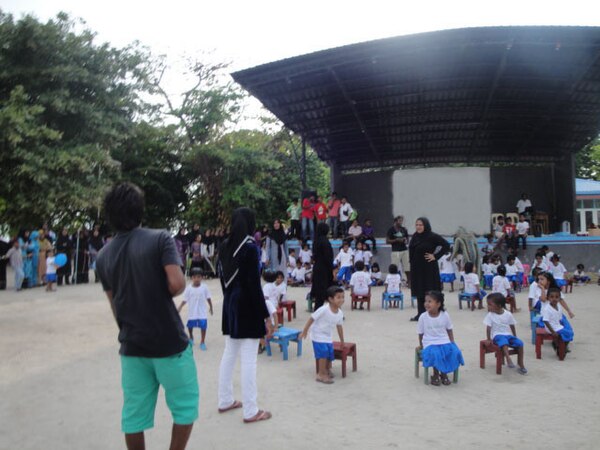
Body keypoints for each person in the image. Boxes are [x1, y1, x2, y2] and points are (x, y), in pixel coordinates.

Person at [96, 182, 198, 450]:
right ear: (140, 210)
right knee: (185, 407)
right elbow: (177, 284)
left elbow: (114, 305)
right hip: (169, 343)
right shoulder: (160, 239)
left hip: (132, 345)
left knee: (134, 416)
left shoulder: (103, 255)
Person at [216, 207, 272, 423]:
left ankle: (225, 400)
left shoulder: (224, 246)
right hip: (246, 306)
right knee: (249, 359)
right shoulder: (250, 248)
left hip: (230, 303)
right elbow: (253, 286)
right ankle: (251, 411)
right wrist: (265, 316)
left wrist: (231, 303)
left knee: (229, 353)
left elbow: (223, 281)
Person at [299, 285, 345, 384]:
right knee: (323, 352)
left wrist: (342, 341)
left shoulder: (340, 313)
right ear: (330, 299)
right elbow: (312, 318)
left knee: (329, 353)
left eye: (342, 297)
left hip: (327, 336)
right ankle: (321, 374)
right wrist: (305, 331)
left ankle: (327, 369)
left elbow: (339, 326)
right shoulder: (324, 309)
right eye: (338, 297)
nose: (341, 299)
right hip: (318, 334)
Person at [417, 291, 464, 386]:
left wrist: (452, 342)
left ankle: (444, 373)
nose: (426, 303)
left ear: (438, 304)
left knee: (454, 351)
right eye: (426, 301)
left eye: (430, 301)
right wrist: (422, 345)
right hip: (430, 342)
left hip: (444, 340)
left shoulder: (445, 315)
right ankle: (435, 375)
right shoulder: (423, 317)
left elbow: (449, 329)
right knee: (436, 353)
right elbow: (420, 333)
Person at [409, 218, 450, 321]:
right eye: (417, 224)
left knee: (431, 290)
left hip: (429, 268)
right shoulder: (415, 236)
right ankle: (421, 314)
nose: (418, 227)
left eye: (421, 225)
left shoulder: (432, 236)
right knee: (419, 290)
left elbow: (446, 245)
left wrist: (435, 256)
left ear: (425, 226)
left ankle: (436, 312)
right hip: (417, 268)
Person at [483, 293, 527, 375]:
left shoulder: (508, 314)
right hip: (497, 335)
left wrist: (514, 335)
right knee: (504, 342)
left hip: (507, 335)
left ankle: (520, 363)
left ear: (499, 305)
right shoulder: (490, 315)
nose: (488, 307)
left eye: (490, 305)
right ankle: (508, 358)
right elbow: (488, 328)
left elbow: (512, 325)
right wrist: (489, 339)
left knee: (520, 343)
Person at [177, 267, 213, 350]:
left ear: (202, 277)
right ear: (191, 278)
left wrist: (211, 307)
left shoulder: (204, 287)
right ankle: (191, 337)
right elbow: (185, 299)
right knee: (190, 326)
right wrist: (180, 307)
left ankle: (202, 342)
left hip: (202, 312)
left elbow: (208, 298)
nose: (197, 279)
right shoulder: (189, 289)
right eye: (194, 277)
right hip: (192, 312)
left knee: (203, 326)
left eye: (199, 277)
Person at [310, 223, 334, 310]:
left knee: (319, 295)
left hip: (317, 268)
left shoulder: (315, 241)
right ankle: (333, 312)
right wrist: (332, 268)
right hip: (325, 269)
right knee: (329, 292)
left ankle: (317, 311)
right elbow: (328, 257)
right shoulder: (325, 242)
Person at [542, 287, 574, 353]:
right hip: (551, 328)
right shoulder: (547, 309)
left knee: (569, 331)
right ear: (548, 298)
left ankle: (561, 346)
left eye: (556, 297)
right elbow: (545, 321)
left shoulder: (558, 306)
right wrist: (553, 332)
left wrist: (562, 324)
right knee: (568, 333)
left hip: (557, 326)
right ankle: (560, 347)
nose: (554, 299)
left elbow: (559, 318)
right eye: (552, 297)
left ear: (559, 298)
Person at [386, 216, 410, 286]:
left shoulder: (404, 229)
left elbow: (407, 239)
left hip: (404, 250)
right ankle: (393, 282)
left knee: (407, 267)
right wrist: (396, 240)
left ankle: (409, 282)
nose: (401, 222)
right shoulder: (391, 230)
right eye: (399, 221)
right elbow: (387, 241)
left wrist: (405, 241)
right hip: (395, 251)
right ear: (395, 221)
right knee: (394, 267)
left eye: (402, 221)